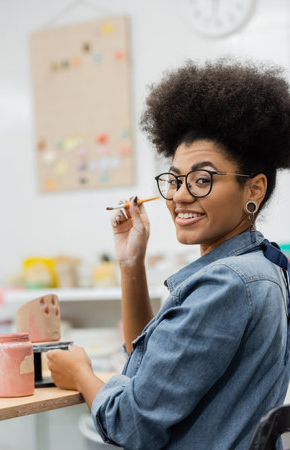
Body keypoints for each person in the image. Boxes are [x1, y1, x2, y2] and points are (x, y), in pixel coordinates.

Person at [47, 59, 290, 450]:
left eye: (202, 179)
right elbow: (146, 365)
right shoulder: (265, 263)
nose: (179, 196)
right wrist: (131, 264)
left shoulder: (227, 283)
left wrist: (81, 375)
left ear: (254, 190)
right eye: (175, 179)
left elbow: (130, 424)